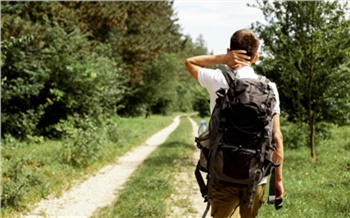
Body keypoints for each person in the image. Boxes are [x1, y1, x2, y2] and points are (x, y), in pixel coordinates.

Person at [185, 29, 284, 218]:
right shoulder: (270, 88)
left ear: (230, 50)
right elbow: (277, 137)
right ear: (256, 57)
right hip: (257, 177)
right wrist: (278, 180)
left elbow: (189, 62)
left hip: (223, 174)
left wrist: (223, 58)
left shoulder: (218, 79)